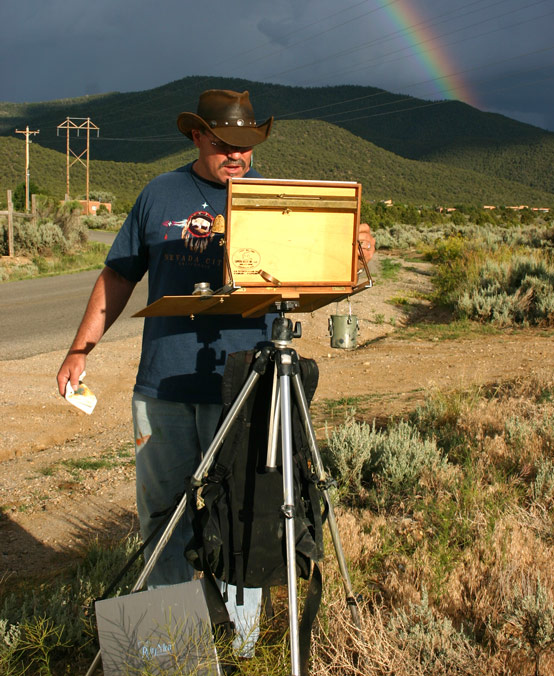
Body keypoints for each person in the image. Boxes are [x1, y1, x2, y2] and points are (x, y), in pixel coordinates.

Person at [56, 88, 375, 655]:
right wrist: (81, 348)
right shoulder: (160, 195)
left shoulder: (278, 201)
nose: (237, 155)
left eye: (247, 145)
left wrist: (356, 253)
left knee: (247, 515)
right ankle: (169, 649)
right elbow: (118, 277)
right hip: (165, 387)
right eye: (225, 143)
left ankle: (240, 647)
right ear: (197, 136)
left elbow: (321, 280)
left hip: (248, 386)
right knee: (163, 514)